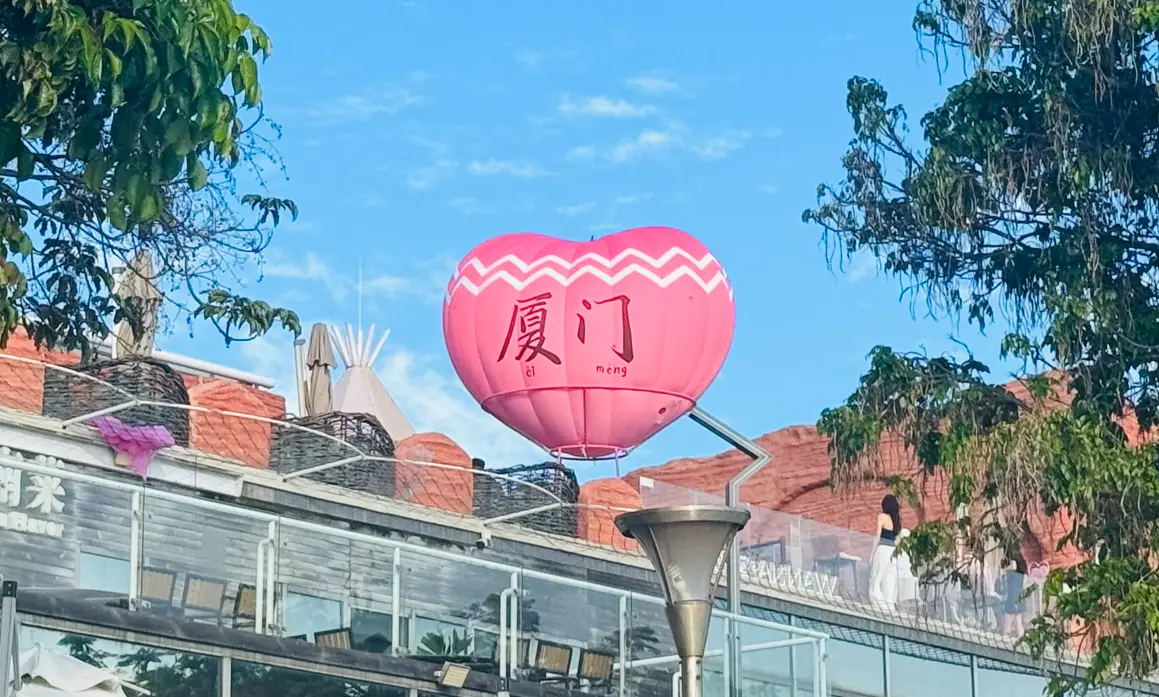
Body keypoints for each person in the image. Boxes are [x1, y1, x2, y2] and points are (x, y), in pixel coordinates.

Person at [868, 494, 902, 607]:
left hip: (882, 549)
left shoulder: (882, 517)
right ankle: (889, 607)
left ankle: (879, 606)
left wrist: (872, 554)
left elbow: (877, 537)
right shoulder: (897, 521)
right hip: (893, 552)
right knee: (889, 582)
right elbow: (897, 539)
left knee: (875, 580)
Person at [998, 558, 1026, 637]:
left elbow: (1013, 566)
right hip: (1018, 583)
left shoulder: (1013, 555)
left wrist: (1003, 568)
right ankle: (1018, 633)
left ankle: (1007, 632)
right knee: (1018, 615)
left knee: (1010, 608)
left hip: (1013, 583)